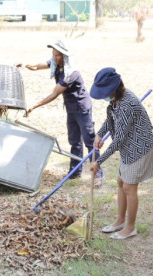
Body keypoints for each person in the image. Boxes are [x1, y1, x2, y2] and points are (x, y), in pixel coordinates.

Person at [18, 40, 103, 186]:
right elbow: (37, 66)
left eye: (58, 55)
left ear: (65, 56)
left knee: (89, 140)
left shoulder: (72, 73)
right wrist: (24, 64)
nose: (55, 58)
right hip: (70, 108)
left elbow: (54, 93)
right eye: (53, 54)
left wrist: (34, 106)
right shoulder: (56, 64)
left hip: (82, 108)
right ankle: (75, 172)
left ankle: (97, 175)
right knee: (74, 141)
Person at [89, 67, 153, 240]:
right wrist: (99, 134)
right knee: (121, 182)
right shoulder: (116, 99)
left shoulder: (128, 104)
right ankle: (120, 220)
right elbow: (110, 119)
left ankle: (130, 227)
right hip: (128, 146)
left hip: (139, 148)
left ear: (113, 89)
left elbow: (117, 140)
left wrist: (99, 161)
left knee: (129, 186)